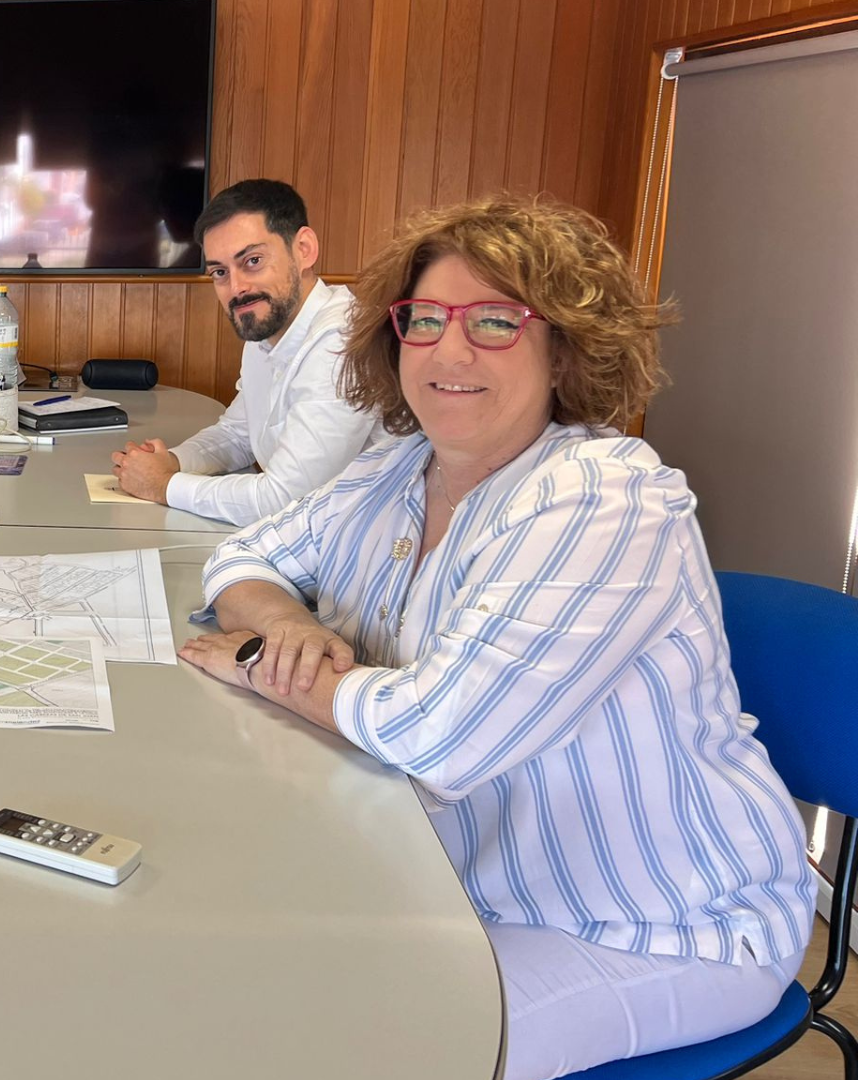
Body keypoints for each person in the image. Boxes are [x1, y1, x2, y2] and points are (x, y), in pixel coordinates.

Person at [178, 196, 814, 1079]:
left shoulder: (604, 497)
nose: (449, 351)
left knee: (337, 1048)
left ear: (566, 347)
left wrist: (261, 664)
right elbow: (243, 558)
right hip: (456, 876)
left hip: (651, 922)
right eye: (425, 319)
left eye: (494, 321)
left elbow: (441, 734)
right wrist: (287, 623)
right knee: (223, 978)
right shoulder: (395, 467)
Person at [111, 179, 379, 523]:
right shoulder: (265, 329)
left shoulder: (343, 340)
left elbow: (285, 500)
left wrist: (163, 485)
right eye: (220, 272)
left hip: (357, 545)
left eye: (253, 260)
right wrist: (172, 462)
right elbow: (237, 435)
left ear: (304, 249)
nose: (236, 288)